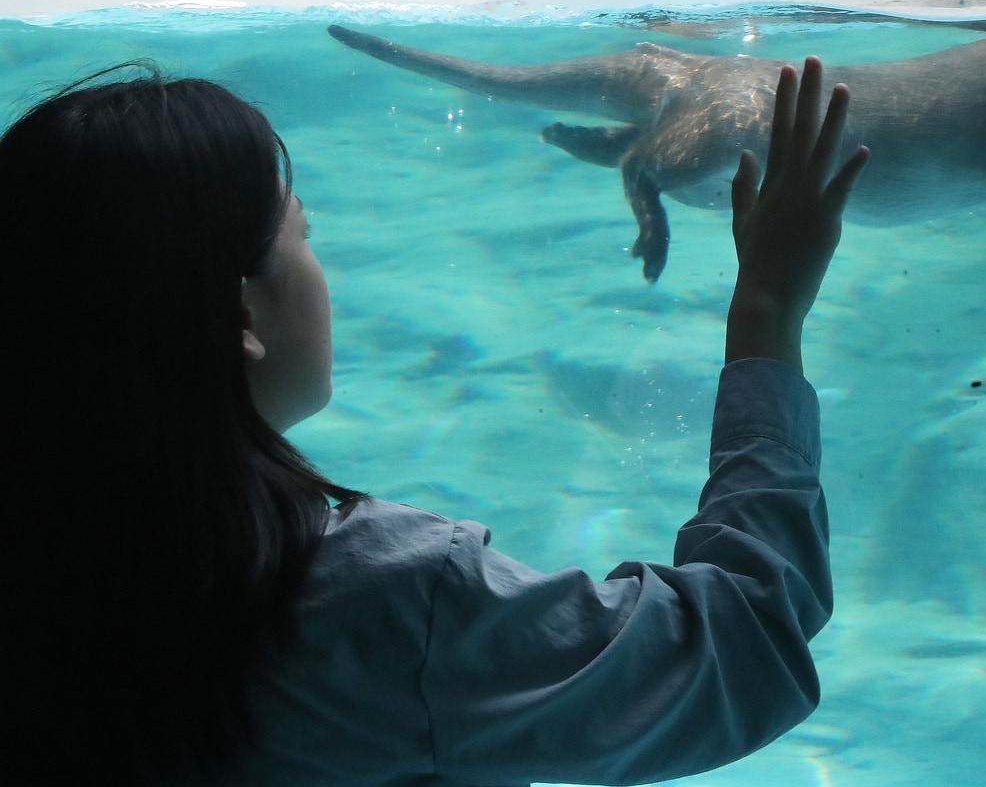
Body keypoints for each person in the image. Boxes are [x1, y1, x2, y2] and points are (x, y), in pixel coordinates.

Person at [2, 54, 868, 786]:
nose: (320, 269)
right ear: (241, 319)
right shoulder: (389, 605)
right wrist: (766, 314)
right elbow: (743, 644)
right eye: (303, 236)